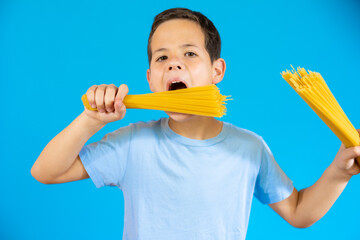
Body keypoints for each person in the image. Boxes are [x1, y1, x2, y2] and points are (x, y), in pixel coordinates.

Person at [31, 7, 360, 240]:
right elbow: (46, 171)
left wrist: (340, 171)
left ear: (216, 72)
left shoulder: (249, 148)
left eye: (189, 54)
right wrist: (90, 120)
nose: (173, 63)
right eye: (162, 57)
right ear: (150, 79)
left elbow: (299, 212)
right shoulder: (133, 142)